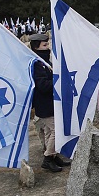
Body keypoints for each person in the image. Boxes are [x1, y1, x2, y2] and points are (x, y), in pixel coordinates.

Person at [30, 33, 71, 172]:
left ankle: (53, 156)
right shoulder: (36, 64)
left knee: (48, 131)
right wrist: (57, 80)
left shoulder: (45, 62)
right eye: (45, 45)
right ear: (37, 47)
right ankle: (47, 158)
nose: (47, 47)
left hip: (51, 103)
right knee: (56, 131)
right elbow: (42, 85)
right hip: (44, 104)